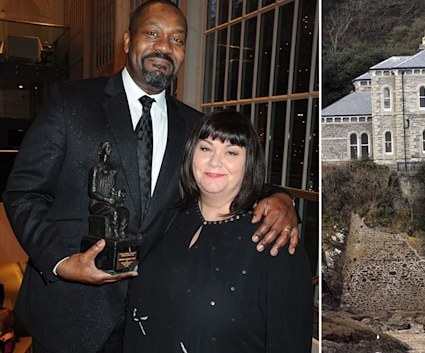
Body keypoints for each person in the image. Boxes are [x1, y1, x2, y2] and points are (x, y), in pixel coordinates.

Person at [2, 0, 299, 353]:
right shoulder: (71, 103)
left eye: (177, 39)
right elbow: (23, 192)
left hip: (150, 324)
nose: (164, 47)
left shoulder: (193, 126)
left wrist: (279, 196)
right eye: (153, 33)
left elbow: (223, 173)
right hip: (68, 316)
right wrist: (61, 262)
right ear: (127, 41)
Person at [123, 110, 313, 352]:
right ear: (191, 154)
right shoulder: (169, 215)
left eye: (231, 152)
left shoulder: (274, 241)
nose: (215, 161)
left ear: (249, 163)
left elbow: (289, 342)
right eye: (205, 148)